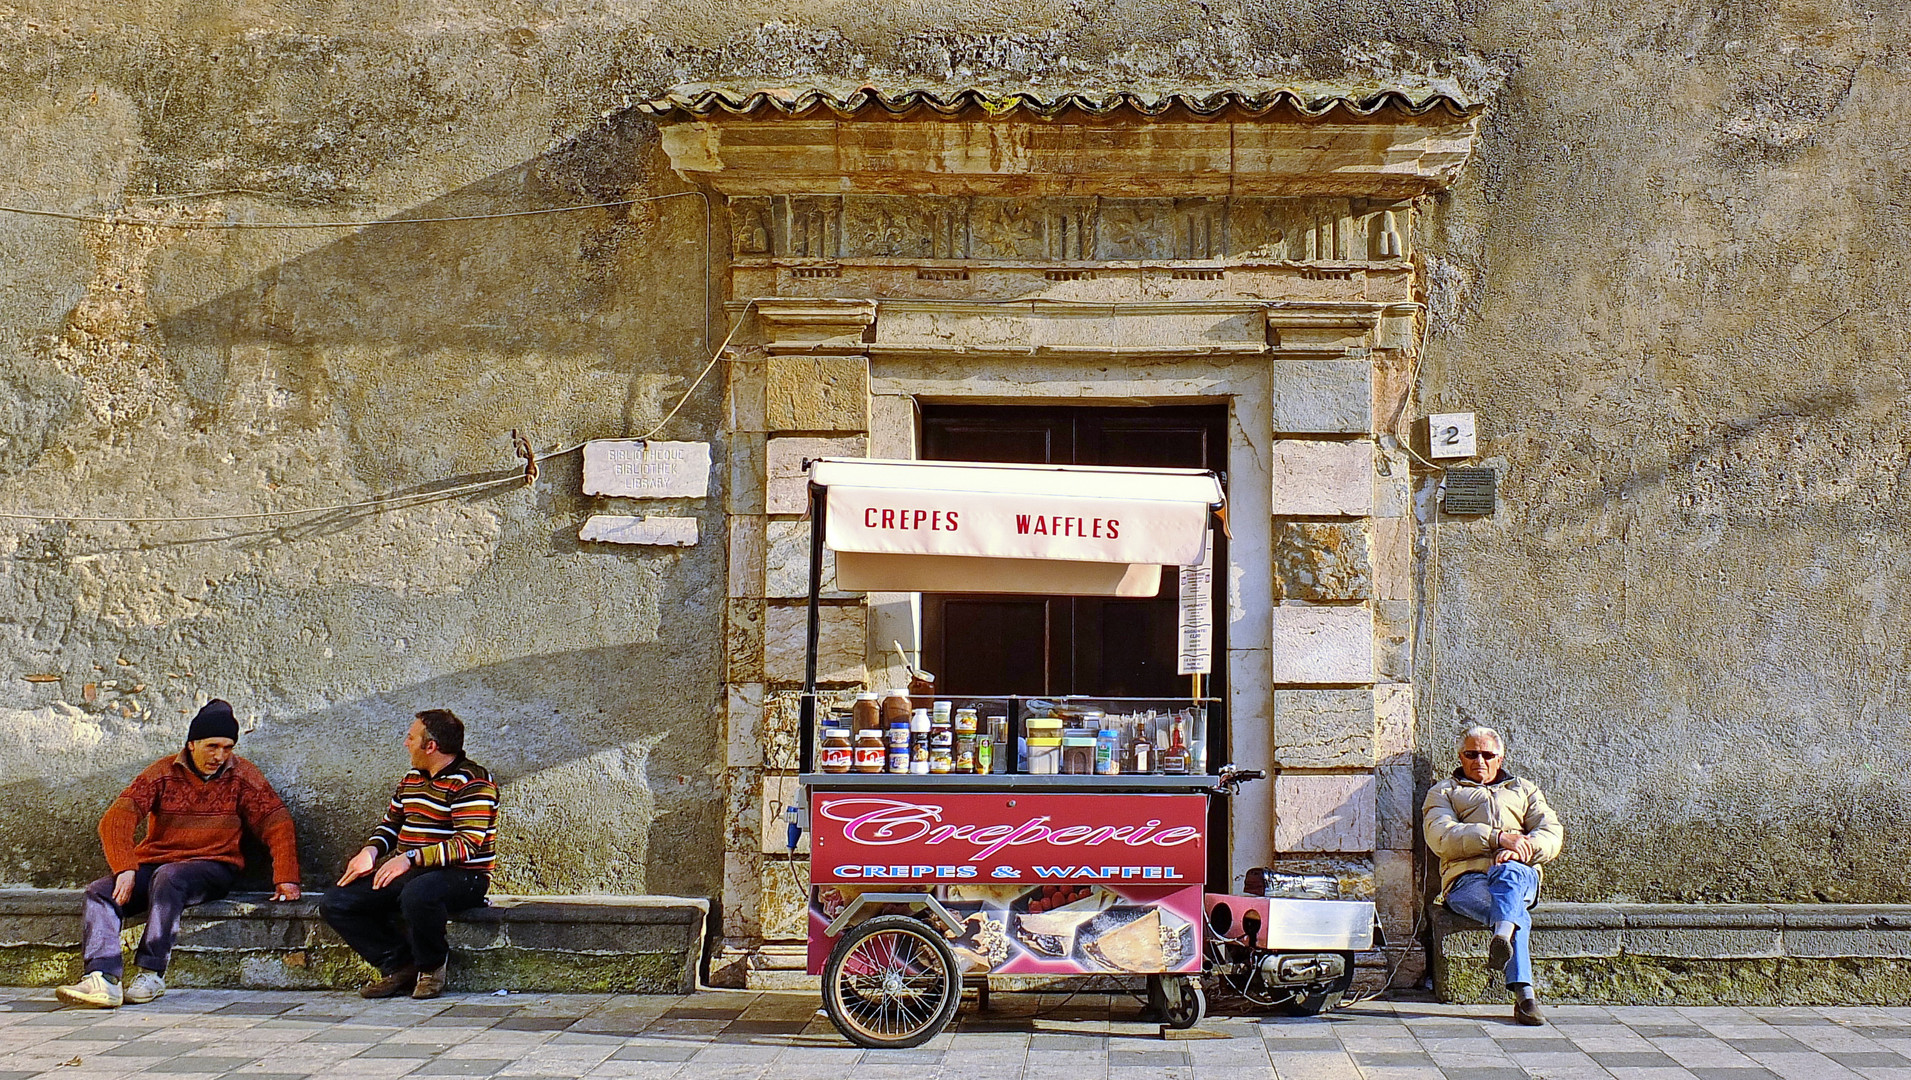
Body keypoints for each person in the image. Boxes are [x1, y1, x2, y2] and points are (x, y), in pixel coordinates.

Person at [56, 700, 301, 1009]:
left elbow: (277, 823)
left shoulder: (243, 776)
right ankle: (102, 978)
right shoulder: (162, 773)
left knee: (169, 877)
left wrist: (287, 879)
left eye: (228, 747)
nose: (220, 755)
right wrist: (126, 868)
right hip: (156, 864)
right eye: (213, 746)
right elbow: (115, 819)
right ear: (192, 743)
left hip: (213, 867)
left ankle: (151, 973)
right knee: (100, 893)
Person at [319, 709, 498, 1000]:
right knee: (337, 901)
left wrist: (409, 858)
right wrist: (371, 850)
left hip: (463, 876)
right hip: (412, 870)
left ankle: (432, 967)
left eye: (411, 737)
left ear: (431, 746)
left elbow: (466, 844)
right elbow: (391, 824)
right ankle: (400, 965)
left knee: (418, 894)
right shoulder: (412, 779)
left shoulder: (472, 782)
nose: (406, 743)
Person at [1423, 725, 1563, 1026]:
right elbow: (1441, 836)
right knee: (1514, 914)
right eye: (1472, 754)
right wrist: (1498, 838)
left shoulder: (1524, 790)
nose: (1480, 761)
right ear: (1461, 757)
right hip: (1468, 880)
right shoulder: (1444, 792)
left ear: (1500, 758)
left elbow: (1551, 833)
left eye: (1487, 755)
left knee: (1509, 875)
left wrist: (1521, 849)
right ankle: (1525, 996)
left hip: (1519, 872)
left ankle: (1503, 938)